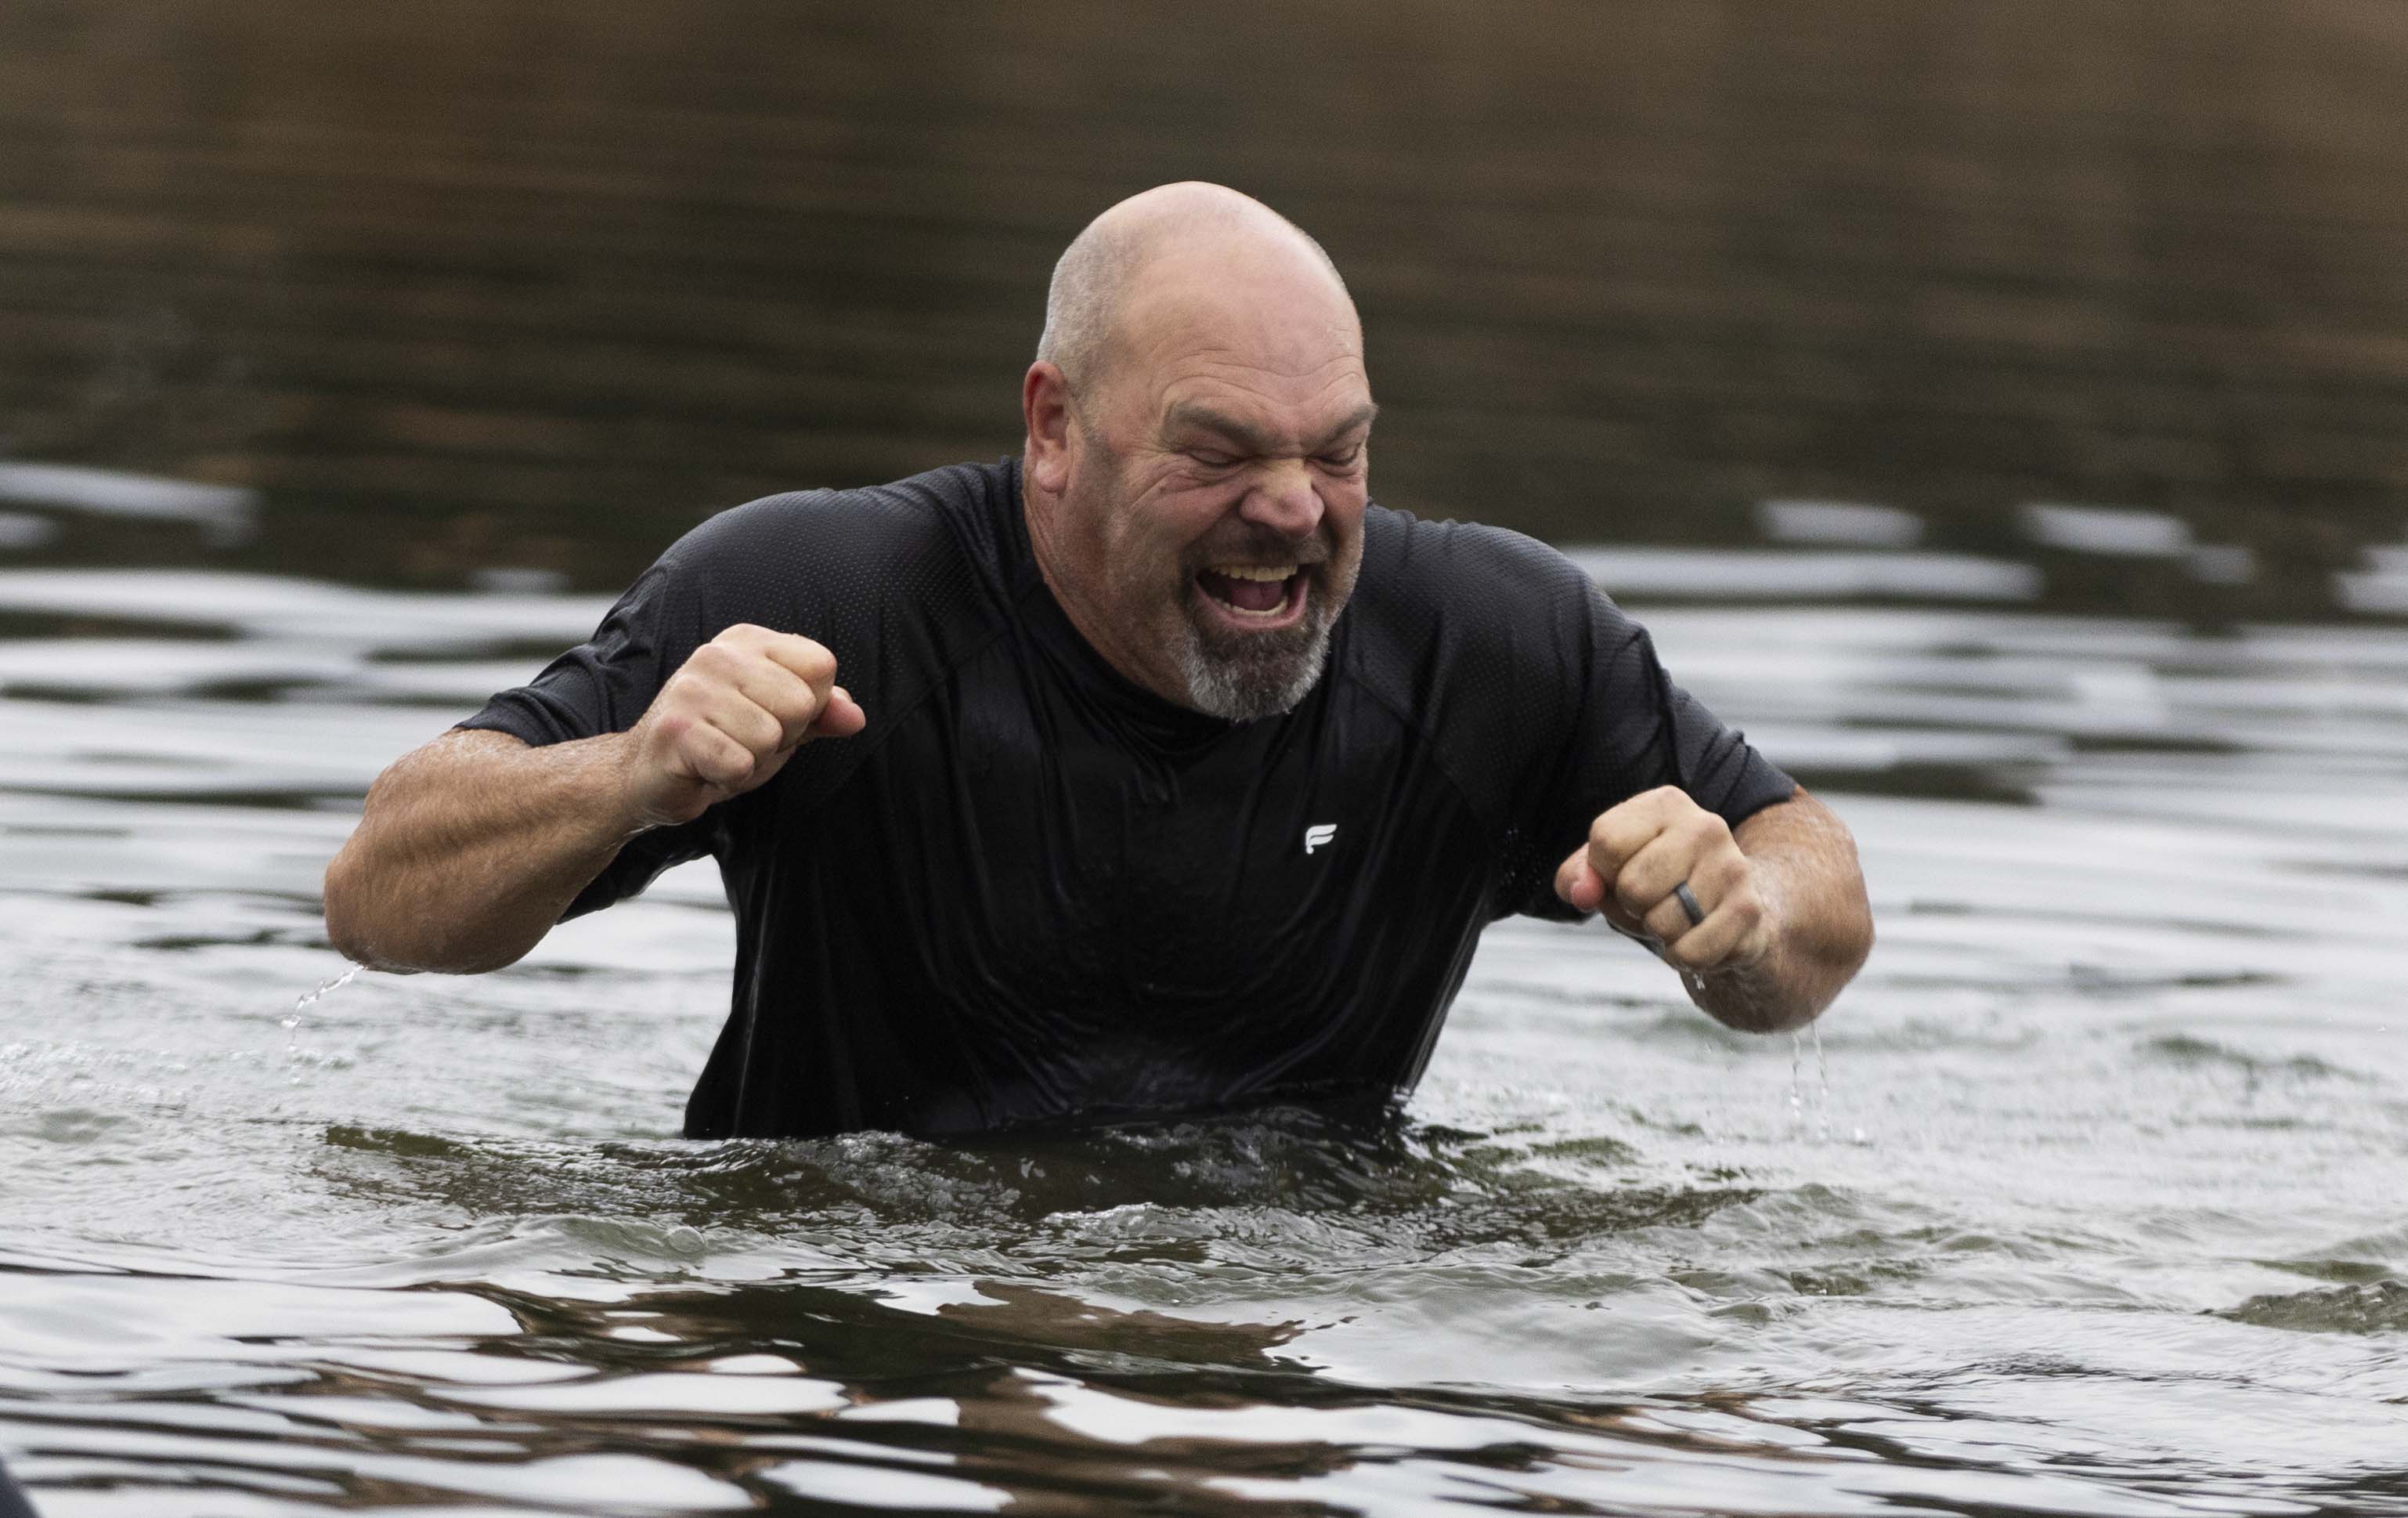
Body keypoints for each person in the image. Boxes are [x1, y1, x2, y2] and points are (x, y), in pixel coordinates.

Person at [323, 183, 1872, 1140]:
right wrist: (627, 776)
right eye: (1218, 455)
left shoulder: (1485, 640)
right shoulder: (819, 599)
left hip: (1285, 1317)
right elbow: (379, 897)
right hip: (854, 1328)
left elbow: (1812, 897)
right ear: (1052, 428)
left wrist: (1740, 921)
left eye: (1336, 455)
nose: (1291, 510)